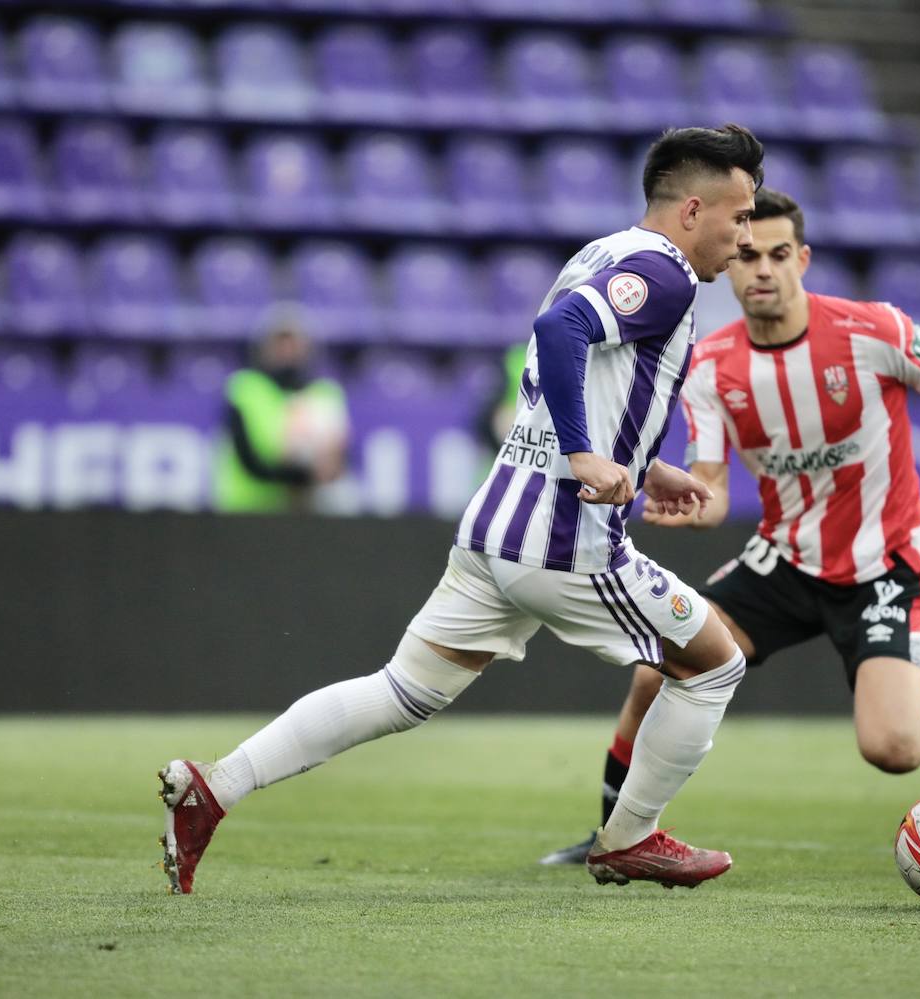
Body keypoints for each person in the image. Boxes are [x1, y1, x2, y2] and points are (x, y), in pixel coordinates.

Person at [158, 124, 765, 894]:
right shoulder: (666, 271)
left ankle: (215, 787)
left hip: (495, 526)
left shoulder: (601, 253)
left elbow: (573, 375)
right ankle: (630, 837)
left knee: (401, 690)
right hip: (563, 542)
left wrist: (649, 469)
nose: (744, 238)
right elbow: (561, 330)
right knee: (714, 663)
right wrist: (585, 457)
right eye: (738, 217)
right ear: (690, 209)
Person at [539, 188, 920, 865]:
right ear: (730, 263)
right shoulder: (712, 364)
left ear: (801, 259)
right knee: (658, 667)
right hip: (783, 560)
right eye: (747, 256)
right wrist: (697, 506)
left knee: (891, 748)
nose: (763, 270)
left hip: (883, 565)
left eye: (778, 254)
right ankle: (610, 835)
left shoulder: (874, 331)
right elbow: (712, 485)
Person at [215, 314, 349, 513]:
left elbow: (340, 458)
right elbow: (247, 458)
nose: (287, 351)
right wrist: (302, 476)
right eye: (279, 343)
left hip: (304, 513)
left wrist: (328, 468)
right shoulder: (245, 388)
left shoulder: (325, 393)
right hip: (247, 512)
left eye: (293, 343)